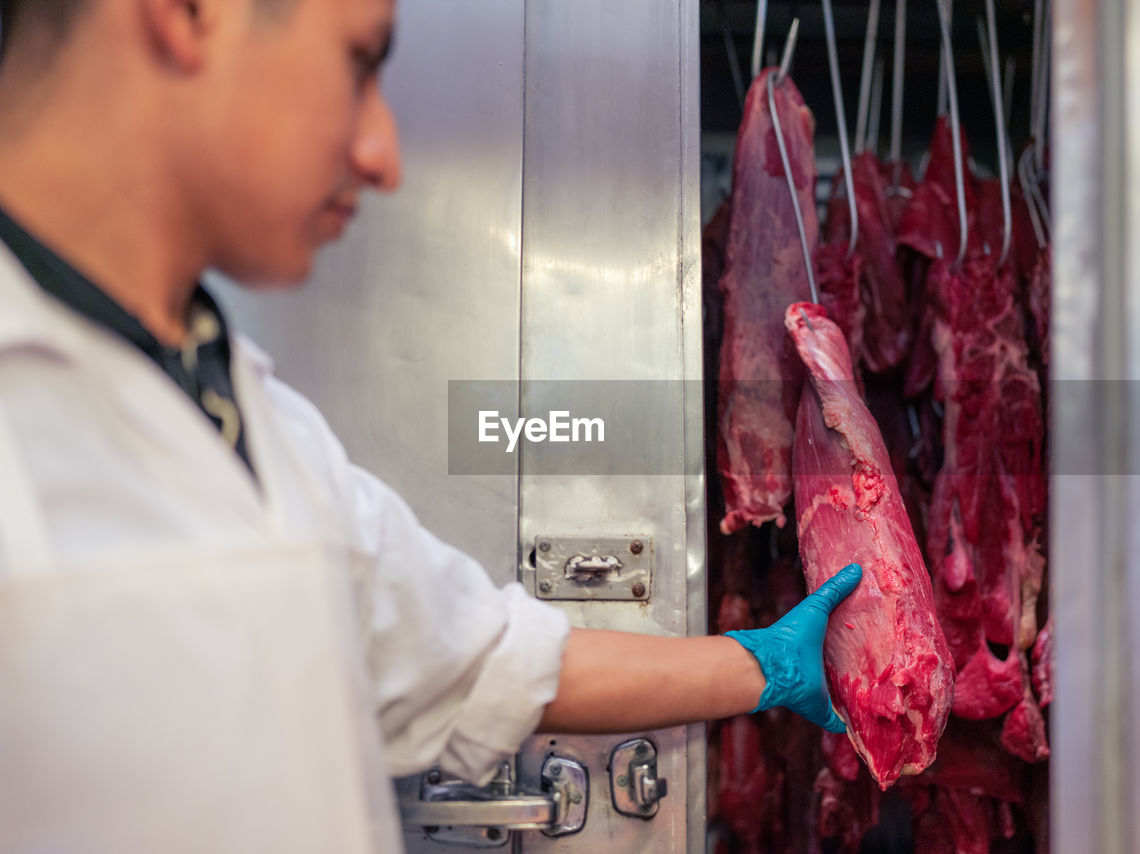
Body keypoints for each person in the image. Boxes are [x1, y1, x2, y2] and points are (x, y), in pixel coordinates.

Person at [0, 0, 865, 851]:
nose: (383, 156)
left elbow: (481, 661)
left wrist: (764, 665)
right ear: (185, 14)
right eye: (357, 61)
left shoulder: (260, 426)